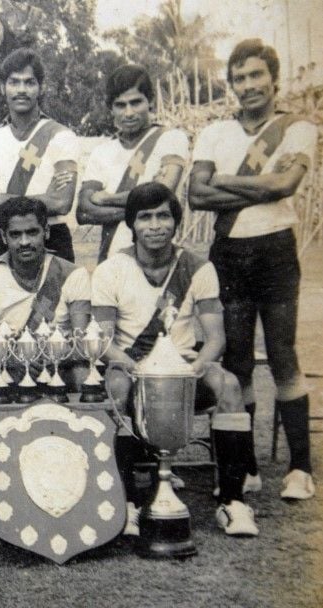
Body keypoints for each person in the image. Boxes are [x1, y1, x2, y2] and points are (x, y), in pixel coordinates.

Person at [188, 39, 317, 500]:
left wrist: (224, 180)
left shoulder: (297, 127)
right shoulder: (215, 134)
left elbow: (287, 183)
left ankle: (300, 468)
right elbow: (197, 196)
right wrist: (258, 188)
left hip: (276, 249)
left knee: (282, 354)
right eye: (240, 78)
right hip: (230, 251)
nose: (249, 85)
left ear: (273, 78)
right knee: (237, 360)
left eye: (257, 75)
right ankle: (246, 467)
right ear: (231, 85)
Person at [95, 182, 259, 537]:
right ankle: (128, 505)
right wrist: (132, 366)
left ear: (176, 222)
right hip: (133, 368)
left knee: (229, 385)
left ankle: (232, 503)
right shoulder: (112, 269)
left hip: (183, 372)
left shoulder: (199, 267)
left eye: (164, 216)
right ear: (131, 224)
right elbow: (103, 343)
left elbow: (215, 337)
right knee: (115, 387)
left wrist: (195, 368)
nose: (155, 226)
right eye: (145, 217)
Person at [0, 48, 80, 262]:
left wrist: (1, 199)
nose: (21, 90)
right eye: (14, 82)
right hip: (7, 238)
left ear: (41, 88)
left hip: (54, 235)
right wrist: (43, 200)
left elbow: (61, 203)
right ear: (2, 87)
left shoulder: (61, 136)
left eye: (29, 82)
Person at [77, 64, 189, 262]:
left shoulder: (171, 139)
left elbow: (161, 192)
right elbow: (83, 211)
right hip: (112, 260)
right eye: (120, 105)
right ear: (111, 108)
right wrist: (142, 208)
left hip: (158, 260)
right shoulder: (102, 151)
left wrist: (105, 199)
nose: (128, 113)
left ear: (151, 102)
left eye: (136, 103)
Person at [0, 197, 91, 379]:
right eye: (15, 234)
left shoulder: (74, 274)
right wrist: (16, 359)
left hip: (60, 366)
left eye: (32, 232)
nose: (24, 242)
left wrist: (52, 356)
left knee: (82, 373)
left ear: (46, 232)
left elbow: (82, 345)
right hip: (10, 367)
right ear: (3, 237)